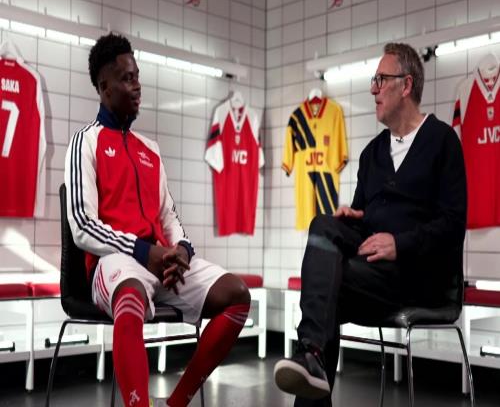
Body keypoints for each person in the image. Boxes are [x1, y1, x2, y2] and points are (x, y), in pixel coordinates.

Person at [273, 42, 467, 406]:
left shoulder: (443, 142)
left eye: (381, 79)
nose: (373, 89)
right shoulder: (372, 153)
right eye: (373, 81)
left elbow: (454, 225)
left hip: (422, 280)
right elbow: (367, 228)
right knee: (324, 224)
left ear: (406, 85)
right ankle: (312, 354)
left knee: (327, 286)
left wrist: (399, 243)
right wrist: (357, 219)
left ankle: (311, 357)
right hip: (375, 278)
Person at [64, 32, 250, 407]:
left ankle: (175, 403)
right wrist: (142, 251)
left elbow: (169, 216)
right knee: (131, 293)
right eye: (126, 78)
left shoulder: (150, 149)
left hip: (160, 263)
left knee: (237, 295)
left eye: (137, 77)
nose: (137, 86)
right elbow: (82, 224)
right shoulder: (85, 142)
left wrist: (180, 250)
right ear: (103, 87)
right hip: (113, 263)